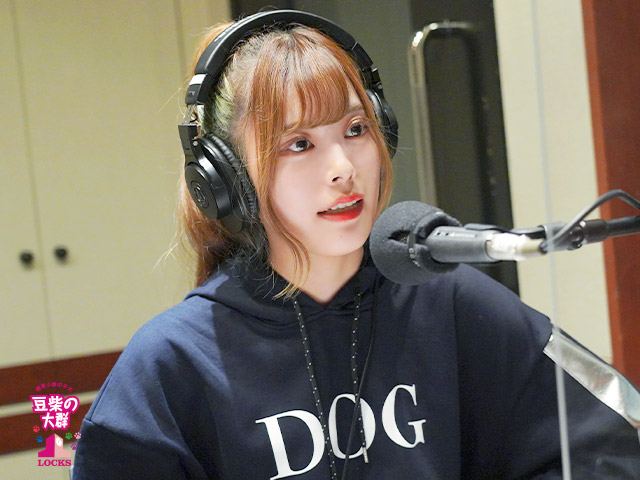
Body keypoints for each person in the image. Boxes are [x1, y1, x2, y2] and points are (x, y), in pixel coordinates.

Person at [71, 9, 640, 480]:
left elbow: (613, 445)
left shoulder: (454, 306)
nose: (343, 167)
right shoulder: (171, 364)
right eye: (298, 144)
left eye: (355, 129)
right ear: (227, 177)